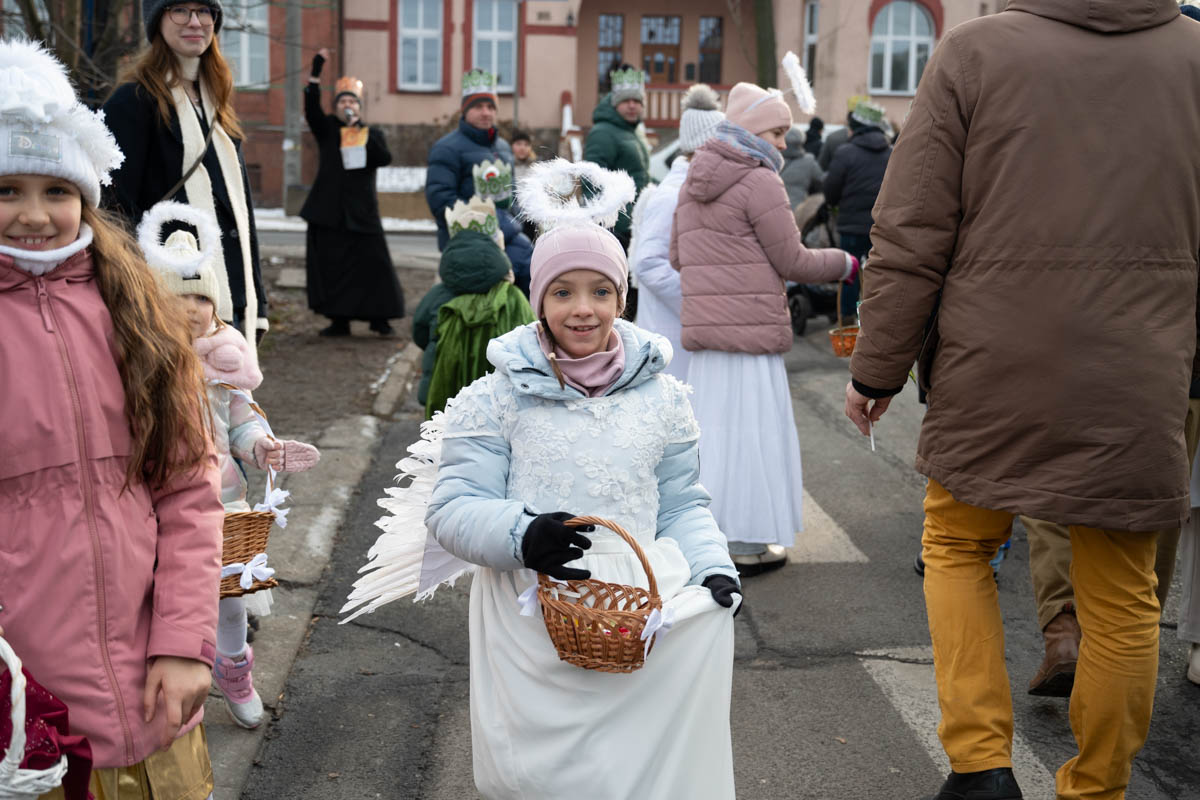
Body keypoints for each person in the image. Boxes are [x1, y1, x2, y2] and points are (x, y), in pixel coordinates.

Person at [843, 3, 1200, 798]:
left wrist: (878, 371)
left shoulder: (975, 51)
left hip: (992, 363)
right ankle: (1098, 785)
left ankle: (980, 766)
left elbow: (911, 228)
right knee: (1122, 591)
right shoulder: (1194, 55)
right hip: (1138, 369)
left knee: (959, 544)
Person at [411, 159, 740, 798]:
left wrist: (711, 565)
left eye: (600, 291)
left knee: (637, 776)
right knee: (549, 779)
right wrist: (521, 534)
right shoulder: (495, 397)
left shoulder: (664, 397)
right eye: (563, 292)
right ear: (539, 300)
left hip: (638, 617)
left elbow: (680, 504)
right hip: (534, 620)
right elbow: (452, 507)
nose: (583, 310)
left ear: (623, 297)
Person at [0, 40, 223, 800]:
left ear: (86, 194)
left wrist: (187, 642)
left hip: (156, 696)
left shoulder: (138, 318)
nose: (35, 214)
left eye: (55, 190)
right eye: (6, 190)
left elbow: (189, 491)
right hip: (30, 714)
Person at [137, 202, 321, 730]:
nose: (193, 309)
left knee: (225, 597)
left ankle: (233, 668)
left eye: (202, 298)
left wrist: (259, 443)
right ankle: (165, 674)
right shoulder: (139, 363)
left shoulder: (223, 360)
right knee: (156, 595)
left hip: (221, 498)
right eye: (179, 298)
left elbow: (241, 418)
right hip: (152, 499)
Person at [671, 82, 857, 575]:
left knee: (712, 440)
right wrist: (847, 262)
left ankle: (706, 540)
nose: (781, 142)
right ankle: (746, 543)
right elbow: (792, 259)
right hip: (751, 338)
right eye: (776, 131)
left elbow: (676, 256)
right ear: (752, 129)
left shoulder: (692, 179)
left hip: (709, 346)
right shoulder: (759, 181)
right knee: (752, 440)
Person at [103, 0, 267, 352]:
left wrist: (257, 303)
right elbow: (113, 213)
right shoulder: (131, 102)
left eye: (205, 11)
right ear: (157, 21)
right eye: (180, 9)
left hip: (230, 303)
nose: (195, 21)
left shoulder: (216, 104)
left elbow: (241, 213)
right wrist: (140, 299)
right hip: (172, 306)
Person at [301, 48, 406, 337]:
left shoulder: (371, 133)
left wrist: (358, 130)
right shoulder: (328, 130)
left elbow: (383, 158)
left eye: (352, 101)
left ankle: (380, 318)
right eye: (343, 101)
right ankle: (339, 320)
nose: (347, 105)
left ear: (359, 107)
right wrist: (316, 71)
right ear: (336, 106)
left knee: (375, 265)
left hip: (362, 212)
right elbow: (311, 110)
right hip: (329, 212)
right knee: (333, 268)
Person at [630, 83, 724, 381]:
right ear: (704, 149)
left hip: (680, 330)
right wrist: (699, 302)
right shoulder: (672, 195)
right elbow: (647, 263)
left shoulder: (692, 191)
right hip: (668, 332)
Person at [413, 197, 534, 417]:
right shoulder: (513, 297)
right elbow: (528, 338)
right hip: (499, 399)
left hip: (446, 390)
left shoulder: (438, 296)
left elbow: (419, 331)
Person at [425, 69, 533, 292]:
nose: (486, 112)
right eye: (478, 106)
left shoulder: (503, 148)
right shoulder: (447, 148)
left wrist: (521, 219)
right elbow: (441, 198)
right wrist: (486, 224)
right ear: (464, 110)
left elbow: (511, 193)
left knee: (535, 273)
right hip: (468, 241)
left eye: (491, 107)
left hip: (509, 236)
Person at [823, 99, 892, 321]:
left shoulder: (845, 152)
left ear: (854, 128)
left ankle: (847, 318)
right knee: (880, 273)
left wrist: (832, 204)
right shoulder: (892, 153)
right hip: (882, 225)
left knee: (850, 271)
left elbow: (831, 188)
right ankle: (876, 318)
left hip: (851, 225)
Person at [582, 65, 651, 251]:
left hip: (635, 226)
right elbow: (591, 182)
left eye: (636, 100)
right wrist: (605, 227)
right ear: (615, 102)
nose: (632, 105)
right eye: (626, 100)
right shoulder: (602, 133)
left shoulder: (634, 131)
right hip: (617, 230)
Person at [780, 126, 824, 209]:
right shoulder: (809, 161)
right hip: (798, 210)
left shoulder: (773, 159)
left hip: (773, 210)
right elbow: (822, 180)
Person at [509, 128, 538, 240]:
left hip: (531, 219)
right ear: (512, 146)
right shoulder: (507, 167)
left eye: (526, 144)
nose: (522, 148)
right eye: (518, 144)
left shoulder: (536, 168)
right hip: (512, 217)